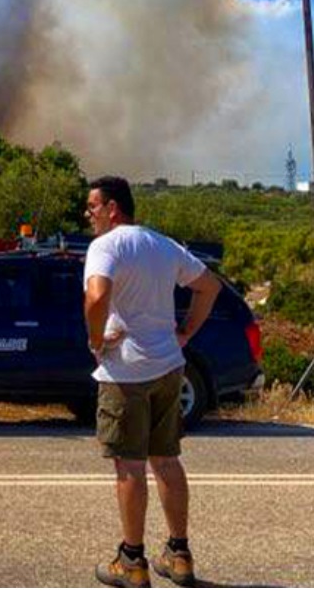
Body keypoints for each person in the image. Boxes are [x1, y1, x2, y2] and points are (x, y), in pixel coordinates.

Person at [83, 176, 222, 588]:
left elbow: (95, 297)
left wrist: (95, 340)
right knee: (167, 461)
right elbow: (209, 286)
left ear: (113, 209)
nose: (88, 214)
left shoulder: (104, 246)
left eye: (92, 206)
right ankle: (179, 555)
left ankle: (131, 560)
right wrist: (184, 334)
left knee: (129, 467)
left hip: (125, 371)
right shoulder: (163, 245)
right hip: (169, 367)